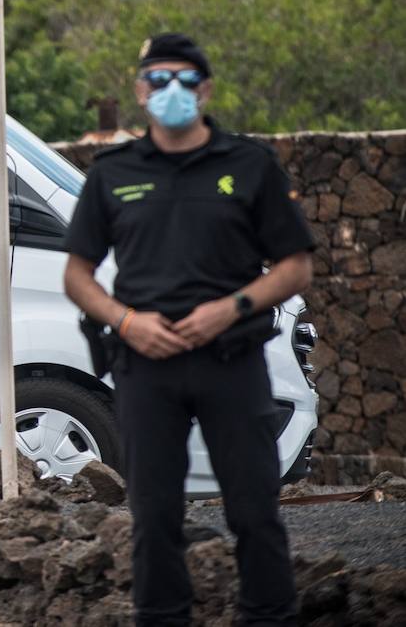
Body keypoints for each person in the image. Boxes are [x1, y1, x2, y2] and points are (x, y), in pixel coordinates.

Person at [61, 33, 315, 627]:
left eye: (183, 80)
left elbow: (295, 266)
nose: (169, 92)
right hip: (145, 366)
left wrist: (233, 307)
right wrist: (126, 320)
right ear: (139, 90)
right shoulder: (112, 173)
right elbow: (78, 275)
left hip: (232, 361)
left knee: (254, 510)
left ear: (205, 89)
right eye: (157, 80)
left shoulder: (248, 165)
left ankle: (270, 616)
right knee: (153, 515)